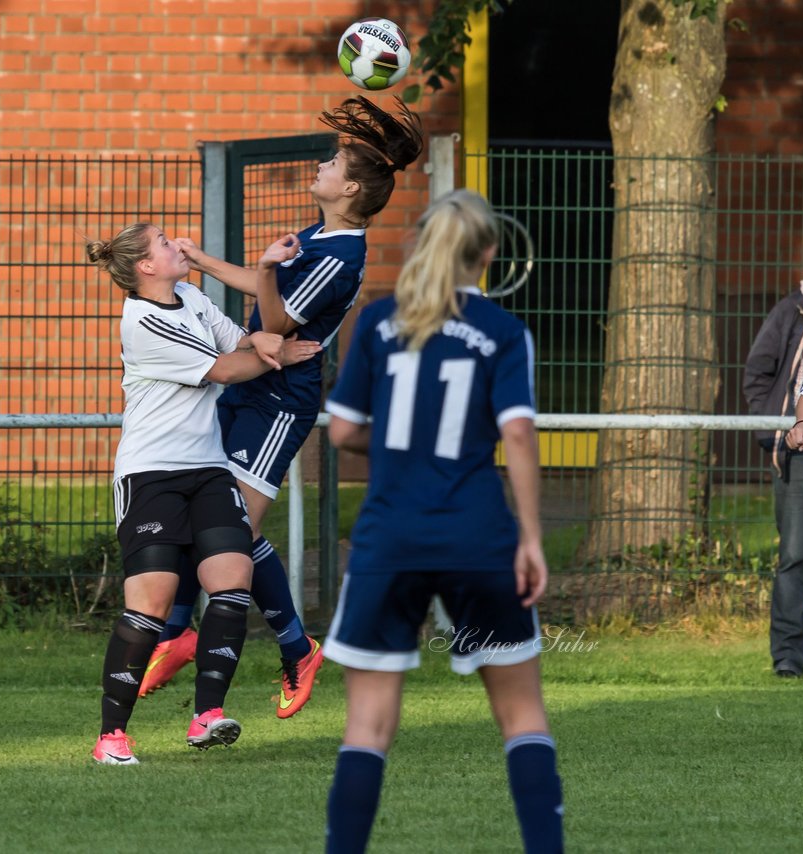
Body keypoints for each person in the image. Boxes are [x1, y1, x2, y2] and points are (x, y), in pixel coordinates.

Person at [137, 96, 425, 719]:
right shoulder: (322, 232)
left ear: (348, 188)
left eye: (331, 162)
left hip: (279, 401)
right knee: (205, 511)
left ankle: (295, 648)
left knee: (234, 529)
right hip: (248, 382)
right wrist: (203, 263)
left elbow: (275, 319)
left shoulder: (343, 256)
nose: (320, 166)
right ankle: (180, 632)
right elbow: (263, 293)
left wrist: (266, 270)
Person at [321, 190, 563, 853]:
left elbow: (343, 430)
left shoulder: (375, 323)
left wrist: (408, 442)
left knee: (367, 726)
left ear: (424, 243)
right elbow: (516, 435)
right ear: (487, 255)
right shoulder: (505, 333)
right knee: (521, 716)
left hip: (389, 538)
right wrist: (533, 539)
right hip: (477, 535)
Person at [87, 222, 322, 766]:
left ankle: (207, 716)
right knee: (151, 606)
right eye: (165, 244)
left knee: (232, 581)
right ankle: (112, 737)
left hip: (210, 470)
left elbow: (235, 340)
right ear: (146, 267)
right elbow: (225, 368)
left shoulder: (190, 295)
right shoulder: (141, 320)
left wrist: (261, 340)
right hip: (151, 475)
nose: (178, 246)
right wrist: (278, 354)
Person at [744, 224, 803, 680]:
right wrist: (780, 431)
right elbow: (758, 373)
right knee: (797, 554)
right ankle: (789, 658)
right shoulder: (794, 310)